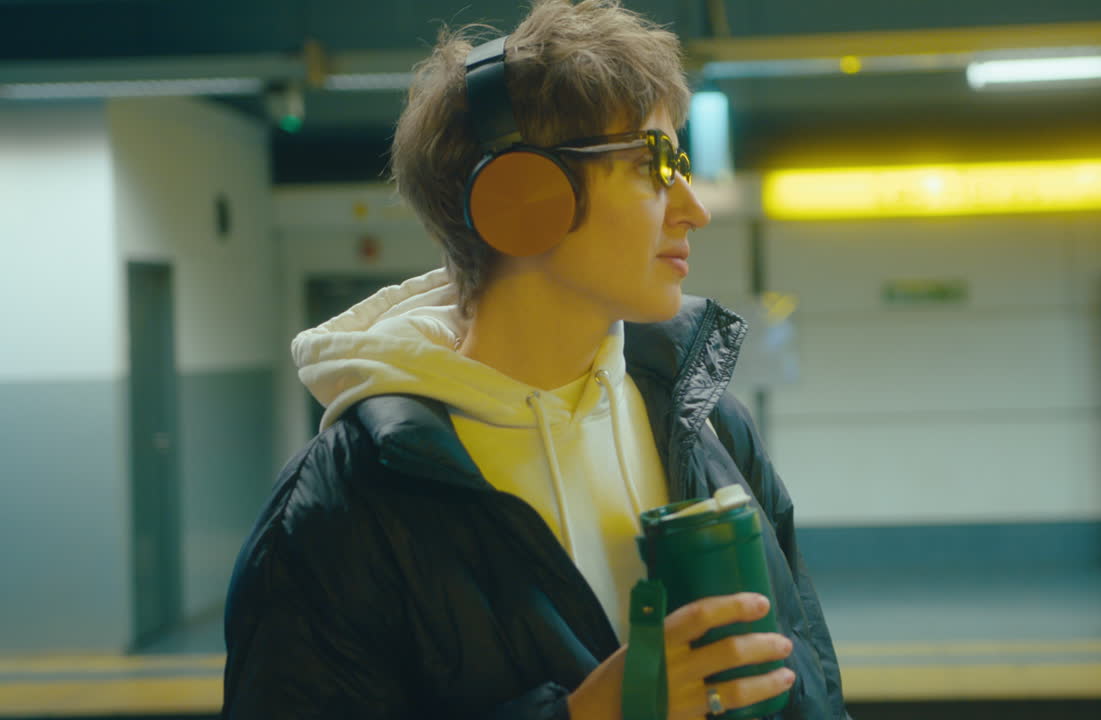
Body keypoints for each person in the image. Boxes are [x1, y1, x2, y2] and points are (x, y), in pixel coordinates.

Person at [221, 1, 848, 718]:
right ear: (524, 198)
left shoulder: (708, 426)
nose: (692, 207)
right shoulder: (342, 507)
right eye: (654, 164)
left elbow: (816, 687)